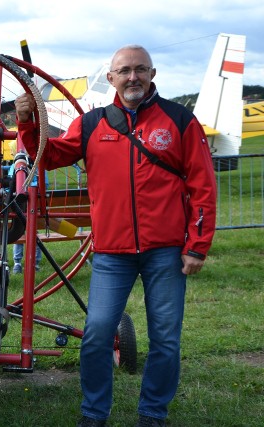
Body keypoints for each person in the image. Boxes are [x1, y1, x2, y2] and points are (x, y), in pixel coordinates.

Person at [15, 45, 216, 427]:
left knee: (166, 340)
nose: (133, 77)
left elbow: (203, 186)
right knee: (96, 335)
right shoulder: (91, 124)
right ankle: (94, 413)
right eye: (124, 71)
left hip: (167, 250)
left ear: (153, 74)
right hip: (111, 252)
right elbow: (51, 155)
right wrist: (29, 123)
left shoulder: (180, 121)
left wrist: (197, 246)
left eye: (140, 70)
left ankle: (153, 413)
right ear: (112, 78)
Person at [7, 140, 42, 273]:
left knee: (19, 233)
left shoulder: (13, 169)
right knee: (34, 233)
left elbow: (10, 188)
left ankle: (17, 263)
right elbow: (44, 185)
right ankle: (35, 262)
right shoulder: (36, 169)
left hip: (19, 208)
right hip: (33, 207)